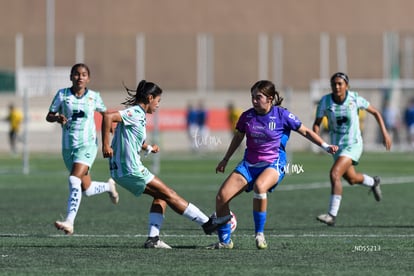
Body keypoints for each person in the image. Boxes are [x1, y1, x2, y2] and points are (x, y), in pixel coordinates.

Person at [208, 80, 338, 250]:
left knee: (260, 187)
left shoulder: (282, 115)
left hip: (274, 163)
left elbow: (305, 131)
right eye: (252, 97)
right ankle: (225, 242)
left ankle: (259, 235)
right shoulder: (247, 116)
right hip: (249, 165)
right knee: (221, 197)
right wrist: (225, 159)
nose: (254, 100)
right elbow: (238, 137)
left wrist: (325, 146)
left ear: (269, 98)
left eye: (258, 97)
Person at [101, 80, 231, 249]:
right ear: (149, 98)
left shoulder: (138, 116)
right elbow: (107, 116)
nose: (158, 105)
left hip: (120, 172)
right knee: (169, 193)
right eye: (158, 101)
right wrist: (105, 145)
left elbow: (130, 140)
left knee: (160, 198)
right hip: (131, 170)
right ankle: (207, 223)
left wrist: (148, 147)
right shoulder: (135, 113)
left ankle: (153, 239)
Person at [46, 63, 119, 235]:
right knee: (85, 189)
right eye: (77, 74)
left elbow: (106, 115)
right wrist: (57, 118)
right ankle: (108, 187)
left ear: (88, 78)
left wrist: (111, 130)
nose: (80, 77)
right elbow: (49, 116)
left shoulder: (94, 97)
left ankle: (69, 222)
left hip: (87, 145)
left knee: (73, 180)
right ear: (71, 77)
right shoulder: (62, 95)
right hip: (68, 147)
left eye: (84, 74)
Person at [313, 72, 392, 226]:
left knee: (335, 174)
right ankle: (373, 182)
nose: (337, 87)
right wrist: (318, 139)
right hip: (337, 147)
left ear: (346, 86)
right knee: (351, 179)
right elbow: (317, 123)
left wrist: (385, 132)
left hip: (353, 144)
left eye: (340, 84)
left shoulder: (354, 98)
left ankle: (331, 215)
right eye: (334, 84)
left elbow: (375, 112)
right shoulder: (325, 101)